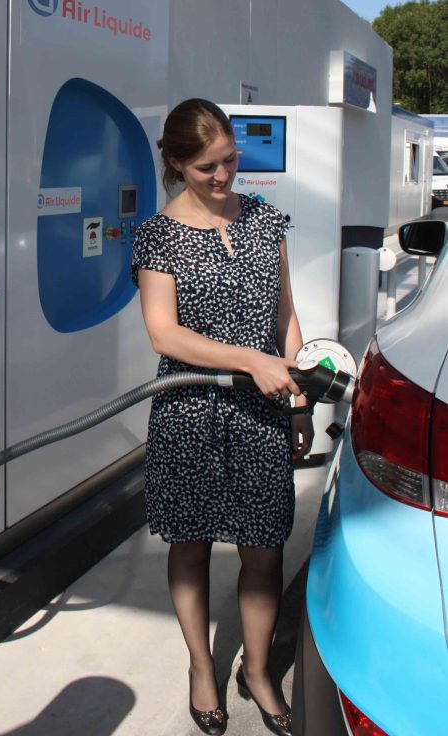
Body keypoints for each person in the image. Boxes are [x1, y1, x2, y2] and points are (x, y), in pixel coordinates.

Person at [131, 99, 313, 736]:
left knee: (265, 550)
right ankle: (202, 668)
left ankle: (257, 671)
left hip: (262, 411)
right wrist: (249, 360)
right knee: (192, 544)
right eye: (207, 166)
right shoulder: (159, 235)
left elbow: (286, 313)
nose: (223, 175)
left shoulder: (265, 219)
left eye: (231, 160)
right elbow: (163, 334)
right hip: (189, 413)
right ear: (176, 163)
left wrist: (299, 391)